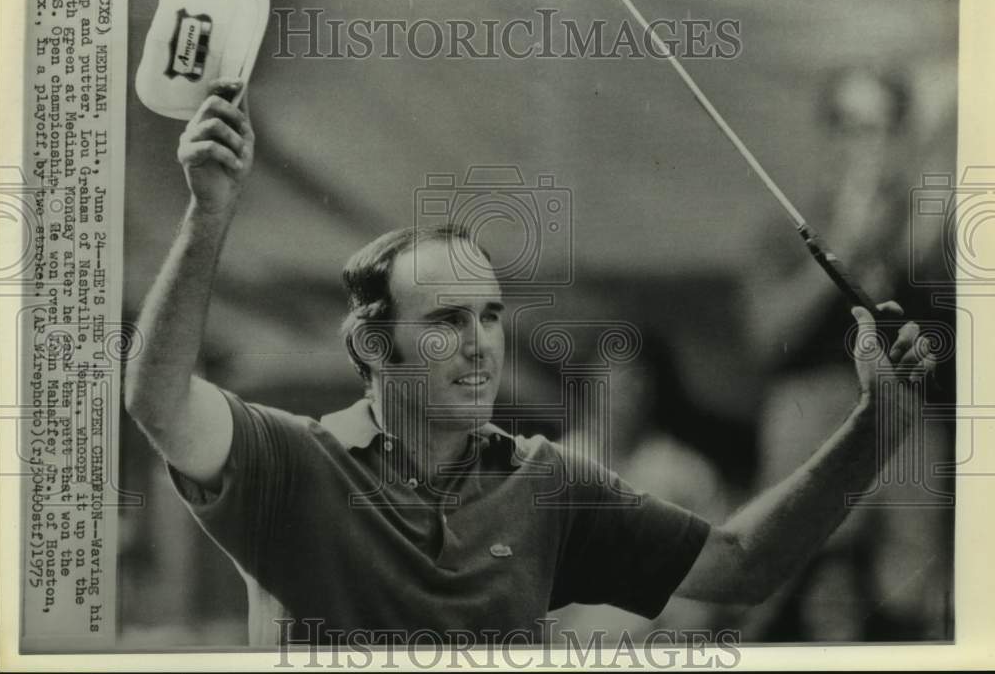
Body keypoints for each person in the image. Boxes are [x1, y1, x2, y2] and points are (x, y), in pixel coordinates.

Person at [124, 79, 937, 648]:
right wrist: (209, 213)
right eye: (446, 320)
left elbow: (744, 566)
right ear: (374, 346)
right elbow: (158, 402)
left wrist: (878, 421)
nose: (480, 342)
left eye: (489, 317)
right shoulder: (293, 460)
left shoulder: (546, 482)